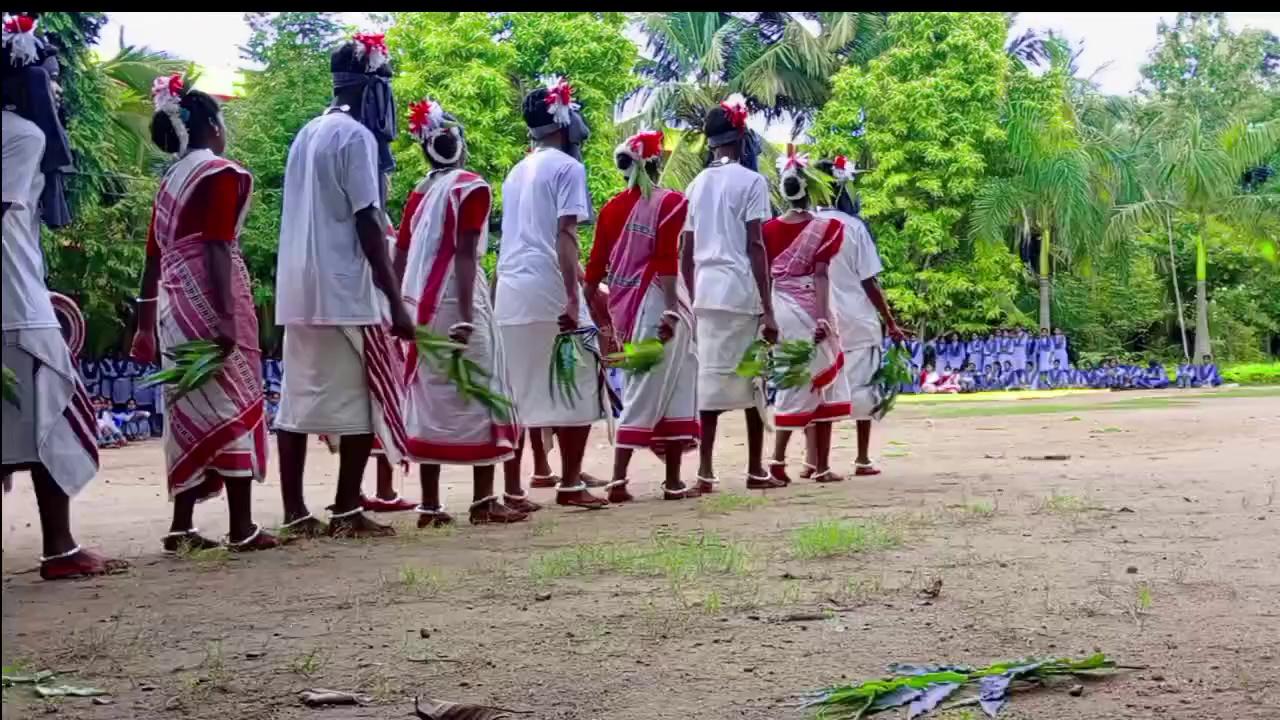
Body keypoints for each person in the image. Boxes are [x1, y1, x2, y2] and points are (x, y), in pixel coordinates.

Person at [273, 35, 415, 538]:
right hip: (342, 291)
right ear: (373, 89)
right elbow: (368, 222)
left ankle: (294, 510)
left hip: (296, 290)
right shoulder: (356, 138)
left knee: (296, 402)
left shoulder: (306, 133)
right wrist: (396, 300)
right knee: (360, 399)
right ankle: (346, 509)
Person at [2, 17, 128, 579]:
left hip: (18, 297)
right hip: (15, 304)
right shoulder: (22, 136)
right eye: (52, 80)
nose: (56, 91)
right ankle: (58, 548)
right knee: (50, 417)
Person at [130, 77, 278, 552]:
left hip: (172, 309)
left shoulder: (169, 183)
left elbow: (153, 257)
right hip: (212, 298)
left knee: (185, 406)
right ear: (213, 126)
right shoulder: (220, 174)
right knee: (230, 401)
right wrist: (228, 316)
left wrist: (142, 324)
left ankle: (182, 525)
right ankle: (241, 526)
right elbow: (217, 242)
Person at [395, 97, 535, 525]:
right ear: (459, 144)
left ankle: (431, 505)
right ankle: (482, 501)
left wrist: (398, 305)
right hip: (458, 300)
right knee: (483, 392)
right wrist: (468, 316)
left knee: (432, 397)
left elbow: (400, 253)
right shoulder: (470, 186)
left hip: (420, 304)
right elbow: (464, 254)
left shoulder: (421, 191)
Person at [493, 78, 610, 509]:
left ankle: (513, 488)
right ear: (563, 121)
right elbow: (564, 235)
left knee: (516, 391)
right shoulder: (568, 168)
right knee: (577, 381)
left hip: (510, 288)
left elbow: (525, 237)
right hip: (547, 288)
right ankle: (570, 484)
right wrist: (574, 297)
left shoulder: (516, 171)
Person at [584, 129, 700, 501]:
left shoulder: (610, 209)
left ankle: (666, 480)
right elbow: (667, 258)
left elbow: (594, 273)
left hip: (627, 309)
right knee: (664, 386)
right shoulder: (670, 203)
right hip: (659, 304)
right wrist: (669, 309)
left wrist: (605, 321)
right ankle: (625, 481)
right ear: (655, 163)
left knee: (651, 383)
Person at [680, 94, 781, 491]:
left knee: (709, 384)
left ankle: (705, 471)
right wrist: (769, 308)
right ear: (740, 136)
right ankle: (756, 469)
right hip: (739, 293)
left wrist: (688, 296)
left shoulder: (696, 183)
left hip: (705, 294)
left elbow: (685, 249)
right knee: (752, 382)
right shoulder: (753, 181)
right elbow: (756, 245)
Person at [761, 148, 850, 485]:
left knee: (791, 381)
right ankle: (822, 466)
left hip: (781, 308)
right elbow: (822, 274)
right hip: (813, 307)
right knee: (821, 381)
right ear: (810, 190)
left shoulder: (767, 230)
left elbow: (766, 276)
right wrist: (823, 317)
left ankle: (777, 461)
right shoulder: (825, 228)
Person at [811, 156, 903, 477]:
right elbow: (869, 281)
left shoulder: (805, 224)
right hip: (858, 320)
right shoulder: (854, 228)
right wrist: (889, 321)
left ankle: (815, 462)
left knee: (820, 387)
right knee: (864, 389)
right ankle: (862, 458)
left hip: (817, 320)